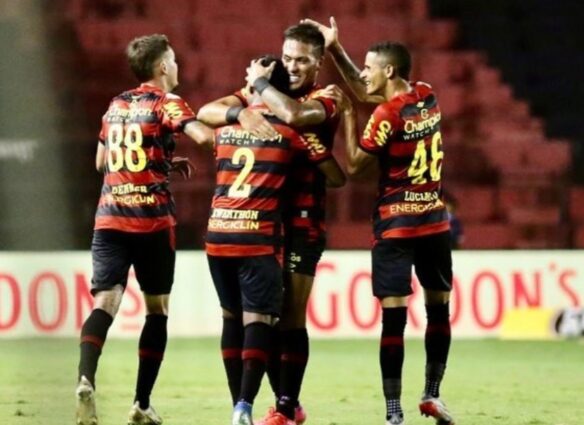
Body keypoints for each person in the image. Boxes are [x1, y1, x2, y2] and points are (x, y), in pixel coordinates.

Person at [303, 17, 456, 425]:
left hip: (396, 226)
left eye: (370, 67)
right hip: (434, 221)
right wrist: (335, 49)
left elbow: (355, 166)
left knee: (394, 319)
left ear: (388, 71)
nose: (365, 73)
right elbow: (365, 87)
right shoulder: (426, 94)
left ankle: (393, 412)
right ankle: (432, 394)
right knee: (439, 310)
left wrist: (348, 115)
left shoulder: (386, 115)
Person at [197, 23, 342, 425]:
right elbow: (206, 112)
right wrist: (240, 111)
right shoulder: (259, 94)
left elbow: (292, 115)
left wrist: (258, 85)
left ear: (318, 63)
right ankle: (282, 404)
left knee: (290, 316)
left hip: (301, 221)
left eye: (302, 60)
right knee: (262, 317)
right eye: (288, 58)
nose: (292, 66)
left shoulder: (325, 99)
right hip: (260, 224)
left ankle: (285, 407)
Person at [75, 34, 212, 425]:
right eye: (174, 60)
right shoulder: (167, 102)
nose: (177, 66)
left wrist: (162, 162)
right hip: (151, 222)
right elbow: (202, 136)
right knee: (157, 310)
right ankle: (141, 404)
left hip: (109, 219)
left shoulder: (116, 104)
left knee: (105, 302)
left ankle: (85, 378)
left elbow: (102, 162)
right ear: (163, 66)